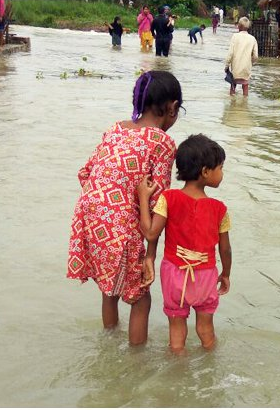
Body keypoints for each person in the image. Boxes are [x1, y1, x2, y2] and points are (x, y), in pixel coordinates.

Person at [67, 71, 182, 345]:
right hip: (122, 229)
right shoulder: (162, 143)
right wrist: (149, 257)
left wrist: (106, 206)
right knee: (141, 298)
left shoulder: (116, 128)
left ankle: (108, 342)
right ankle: (135, 365)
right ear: (172, 108)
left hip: (90, 222)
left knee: (110, 290)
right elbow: (159, 204)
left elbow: (85, 173)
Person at [137, 134, 232, 353]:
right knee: (206, 330)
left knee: (177, 332)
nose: (222, 173)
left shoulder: (168, 199)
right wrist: (225, 273)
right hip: (206, 275)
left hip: (174, 275)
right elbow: (225, 249)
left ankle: (177, 373)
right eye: (220, 167)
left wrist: (143, 197)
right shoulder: (220, 209)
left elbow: (151, 233)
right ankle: (210, 366)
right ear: (205, 172)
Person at [224, 17, 258, 97]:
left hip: (236, 68)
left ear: (239, 26)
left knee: (233, 86)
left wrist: (226, 66)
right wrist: (250, 63)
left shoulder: (235, 37)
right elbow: (255, 56)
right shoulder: (252, 39)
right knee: (245, 86)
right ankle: (244, 106)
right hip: (246, 68)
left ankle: (232, 105)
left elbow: (230, 54)